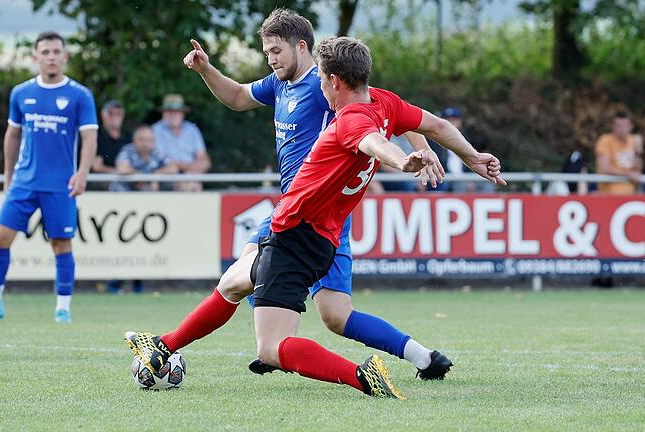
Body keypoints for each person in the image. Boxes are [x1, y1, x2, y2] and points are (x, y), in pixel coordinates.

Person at [128, 36, 504, 397]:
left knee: (271, 348)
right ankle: (162, 345)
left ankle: (360, 376)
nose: (319, 86)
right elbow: (434, 125)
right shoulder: (383, 103)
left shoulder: (349, 119)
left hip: (294, 232)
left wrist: (401, 160)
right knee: (233, 283)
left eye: (322, 79)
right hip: (317, 234)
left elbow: (371, 142)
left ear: (334, 80)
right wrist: (473, 158)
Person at [0, 31, 98, 324]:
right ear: (35, 57)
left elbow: (89, 137)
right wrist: (8, 176)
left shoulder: (80, 95)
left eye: (56, 51)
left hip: (61, 184)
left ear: (65, 57)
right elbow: (12, 136)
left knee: (61, 244)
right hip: (24, 182)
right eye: (45, 52)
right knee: (0, 237)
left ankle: (63, 309)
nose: (51, 57)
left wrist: (82, 173)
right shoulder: (21, 93)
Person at [151, 94, 211, 191]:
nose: (174, 114)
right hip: (166, 175)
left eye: (177, 111)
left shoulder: (192, 129)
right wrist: (188, 167)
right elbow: (162, 159)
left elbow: (203, 157)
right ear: (164, 113)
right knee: (191, 185)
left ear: (182, 113)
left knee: (191, 182)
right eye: (170, 111)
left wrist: (197, 167)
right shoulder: (155, 130)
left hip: (190, 174)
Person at [429, 107, 494, 193]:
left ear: (460, 121)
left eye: (454, 120)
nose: (451, 123)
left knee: (487, 185)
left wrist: (469, 179)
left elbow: (475, 160)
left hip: (467, 176)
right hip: (446, 177)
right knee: (460, 185)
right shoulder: (433, 141)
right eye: (447, 120)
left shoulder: (469, 139)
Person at [112, 125, 179, 192]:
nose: (145, 144)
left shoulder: (156, 152)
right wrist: (139, 177)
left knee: (173, 183)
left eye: (149, 140)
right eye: (141, 140)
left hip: (153, 187)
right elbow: (122, 168)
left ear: (154, 141)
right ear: (134, 141)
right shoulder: (128, 150)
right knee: (118, 184)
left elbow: (173, 168)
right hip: (130, 189)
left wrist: (156, 175)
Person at [595, 111, 644, 194]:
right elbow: (604, 169)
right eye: (618, 126)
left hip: (631, 194)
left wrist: (637, 151)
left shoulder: (634, 140)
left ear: (631, 126)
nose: (622, 129)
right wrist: (627, 174)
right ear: (613, 126)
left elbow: (638, 169)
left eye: (625, 125)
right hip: (609, 195)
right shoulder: (605, 140)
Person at [93, 100, 128, 176]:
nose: (115, 116)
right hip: (102, 180)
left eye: (118, 113)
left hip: (124, 180)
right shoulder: (97, 136)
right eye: (111, 113)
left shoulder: (127, 137)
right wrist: (119, 172)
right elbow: (97, 166)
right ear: (103, 116)